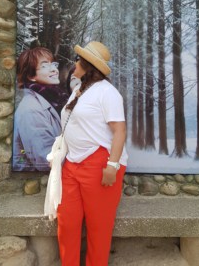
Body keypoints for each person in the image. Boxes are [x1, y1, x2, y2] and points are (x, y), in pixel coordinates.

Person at [57, 41, 128, 266]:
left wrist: (112, 165)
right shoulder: (80, 90)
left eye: (78, 60)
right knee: (67, 222)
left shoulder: (108, 93)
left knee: (99, 228)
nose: (74, 64)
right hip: (72, 164)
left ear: (88, 66)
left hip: (100, 163)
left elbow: (119, 130)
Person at [12, 47, 68, 171]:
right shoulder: (31, 109)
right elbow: (45, 158)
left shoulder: (49, 99)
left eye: (53, 64)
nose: (54, 69)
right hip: (36, 181)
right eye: (45, 66)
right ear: (31, 76)